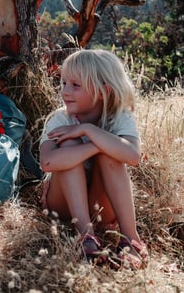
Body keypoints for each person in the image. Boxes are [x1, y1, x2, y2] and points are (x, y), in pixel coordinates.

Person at [39, 49, 148, 269]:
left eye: (75, 85)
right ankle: (85, 237)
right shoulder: (61, 119)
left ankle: (131, 240)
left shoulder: (120, 118)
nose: (65, 92)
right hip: (62, 206)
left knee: (112, 155)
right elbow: (48, 162)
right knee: (68, 150)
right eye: (64, 84)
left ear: (103, 92)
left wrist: (89, 131)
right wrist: (94, 146)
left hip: (100, 209)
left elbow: (133, 156)